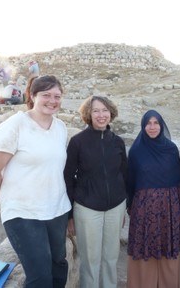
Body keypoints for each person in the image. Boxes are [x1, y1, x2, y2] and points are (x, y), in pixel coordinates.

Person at [0, 75, 71, 287]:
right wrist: (7, 197)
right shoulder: (14, 126)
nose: (52, 100)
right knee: (40, 277)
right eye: (46, 95)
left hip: (56, 209)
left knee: (59, 265)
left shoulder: (60, 127)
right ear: (32, 95)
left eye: (57, 96)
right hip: (23, 212)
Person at [64, 95, 127, 288]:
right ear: (88, 114)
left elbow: (124, 174)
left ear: (111, 113)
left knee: (111, 257)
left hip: (115, 207)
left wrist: (124, 207)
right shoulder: (77, 142)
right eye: (96, 110)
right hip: (87, 208)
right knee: (90, 260)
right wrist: (70, 215)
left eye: (105, 110)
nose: (101, 115)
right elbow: (67, 178)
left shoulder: (118, 142)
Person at [127, 110, 180, 288]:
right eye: (148, 123)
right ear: (143, 126)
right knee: (143, 246)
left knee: (167, 247)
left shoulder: (170, 149)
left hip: (168, 207)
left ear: (161, 126)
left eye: (156, 123)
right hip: (143, 208)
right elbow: (130, 180)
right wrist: (130, 207)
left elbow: (178, 180)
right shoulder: (136, 151)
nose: (152, 127)